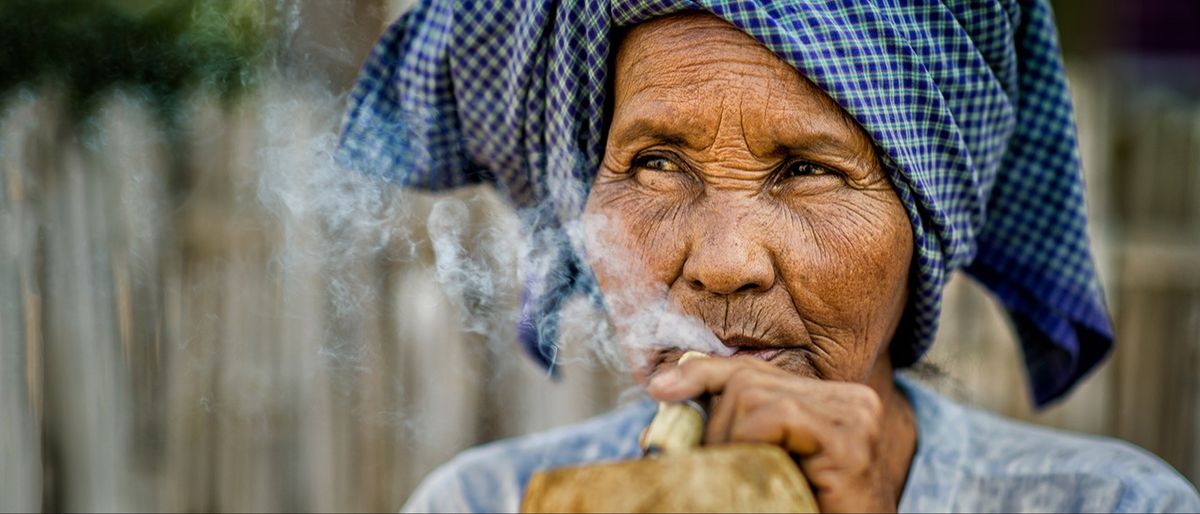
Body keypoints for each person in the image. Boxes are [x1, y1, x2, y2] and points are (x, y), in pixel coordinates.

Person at [336, 1, 1200, 512]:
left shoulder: (1116, 505)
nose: (724, 262)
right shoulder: (485, 503)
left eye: (807, 170)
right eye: (657, 163)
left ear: (924, 223)